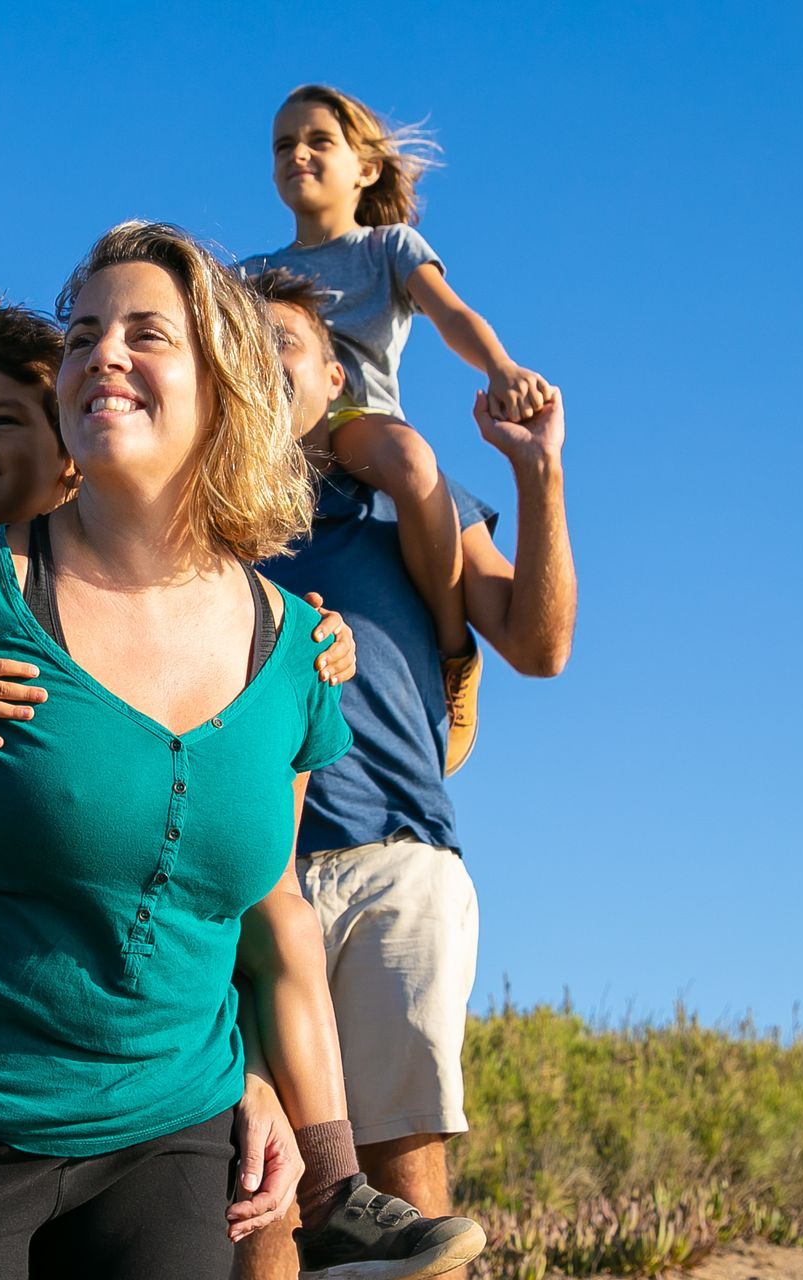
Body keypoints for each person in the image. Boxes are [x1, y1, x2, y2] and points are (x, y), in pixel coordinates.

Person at [0, 224, 482, 1280]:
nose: (102, 354)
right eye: (81, 335)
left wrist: (262, 1080)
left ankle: (345, 1198)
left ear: (225, 383)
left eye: (144, 333)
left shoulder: (302, 650)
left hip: (174, 1139)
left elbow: (260, 910)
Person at [235, 269, 577, 1280]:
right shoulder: (200, 526)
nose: (262, 361)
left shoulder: (406, 505)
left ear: (335, 374)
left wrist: (539, 475)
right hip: (244, 875)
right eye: (240, 345)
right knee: (255, 1175)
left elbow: (539, 644)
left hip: (395, 856)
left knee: (403, 1166)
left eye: (284, 343)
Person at [241, 83, 553, 775]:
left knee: (411, 464)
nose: (297, 154)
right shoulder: (248, 274)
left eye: (319, 141)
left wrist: (500, 366)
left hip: (356, 416)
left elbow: (452, 314)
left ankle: (450, 647)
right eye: (283, 145)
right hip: (272, 433)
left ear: (366, 168)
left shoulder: (387, 248)